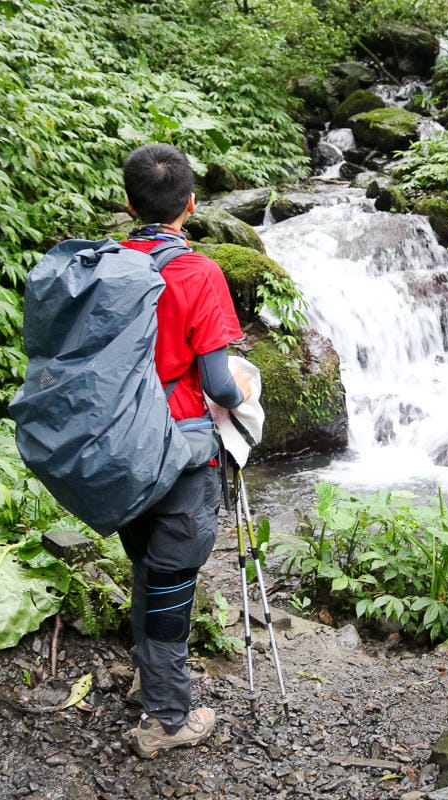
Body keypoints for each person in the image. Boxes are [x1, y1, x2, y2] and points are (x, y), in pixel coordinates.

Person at [115, 142, 251, 758]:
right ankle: (167, 720)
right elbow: (220, 385)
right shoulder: (198, 272)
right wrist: (244, 385)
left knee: (148, 568)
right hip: (179, 449)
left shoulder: (107, 263)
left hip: (120, 445)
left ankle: (152, 677)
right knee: (172, 585)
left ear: (127, 202)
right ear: (191, 205)